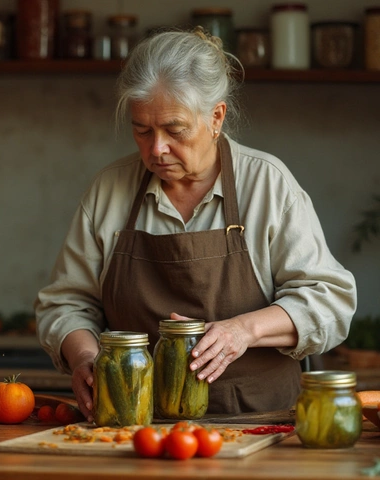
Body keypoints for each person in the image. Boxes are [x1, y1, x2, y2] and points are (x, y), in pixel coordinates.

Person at [34, 27, 357, 420]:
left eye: (175, 130)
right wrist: (85, 356)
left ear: (216, 116)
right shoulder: (110, 190)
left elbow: (330, 300)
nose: (156, 148)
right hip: (134, 425)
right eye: (142, 129)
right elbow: (65, 303)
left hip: (262, 425)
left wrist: (244, 331)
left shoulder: (268, 184)